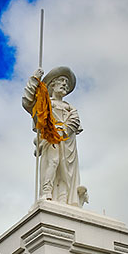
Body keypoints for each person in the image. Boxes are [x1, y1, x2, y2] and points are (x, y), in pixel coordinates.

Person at [22, 66, 86, 206]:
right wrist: (34, 80)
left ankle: (64, 199)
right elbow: (27, 102)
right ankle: (46, 192)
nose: (65, 84)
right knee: (52, 163)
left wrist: (63, 130)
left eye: (67, 83)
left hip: (68, 142)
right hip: (51, 138)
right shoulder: (46, 103)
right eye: (62, 81)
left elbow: (74, 121)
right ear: (52, 84)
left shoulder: (70, 107)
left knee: (66, 172)